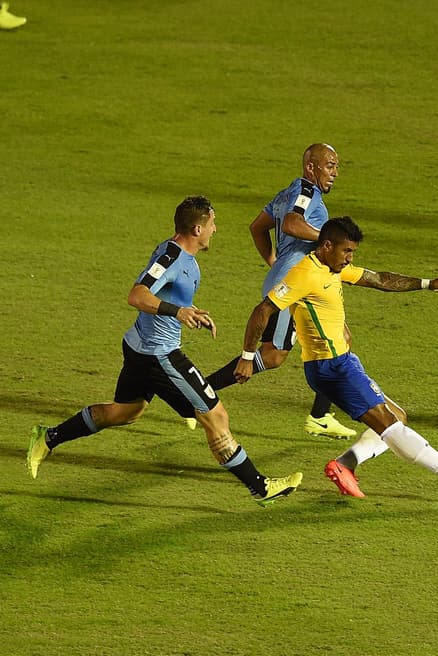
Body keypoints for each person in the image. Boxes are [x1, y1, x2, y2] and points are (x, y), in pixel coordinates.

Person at [26, 196, 303, 505]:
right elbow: (137, 295)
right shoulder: (171, 257)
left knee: (124, 412)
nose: (216, 229)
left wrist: (189, 311)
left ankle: (48, 436)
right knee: (215, 416)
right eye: (212, 224)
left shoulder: (183, 256)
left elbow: (163, 294)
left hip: (140, 347)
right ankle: (260, 487)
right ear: (197, 228)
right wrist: (177, 312)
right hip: (159, 355)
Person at [235, 216, 438, 498]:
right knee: (390, 426)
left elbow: (379, 279)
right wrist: (247, 356)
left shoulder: (334, 269)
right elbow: (262, 310)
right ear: (327, 246)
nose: (350, 258)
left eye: (352, 252)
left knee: (397, 416)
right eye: (346, 251)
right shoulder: (306, 274)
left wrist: (427, 283)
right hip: (331, 367)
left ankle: (344, 465)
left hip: (342, 363)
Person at [204, 143, 357, 439]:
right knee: (277, 354)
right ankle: (198, 395)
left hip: (295, 279)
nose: (335, 173)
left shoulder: (286, 193)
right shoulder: (305, 192)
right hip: (297, 285)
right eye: (330, 166)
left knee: (335, 339)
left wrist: (273, 262)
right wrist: (329, 239)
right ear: (311, 167)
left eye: (337, 167)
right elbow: (291, 223)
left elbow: (256, 227)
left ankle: (321, 415)